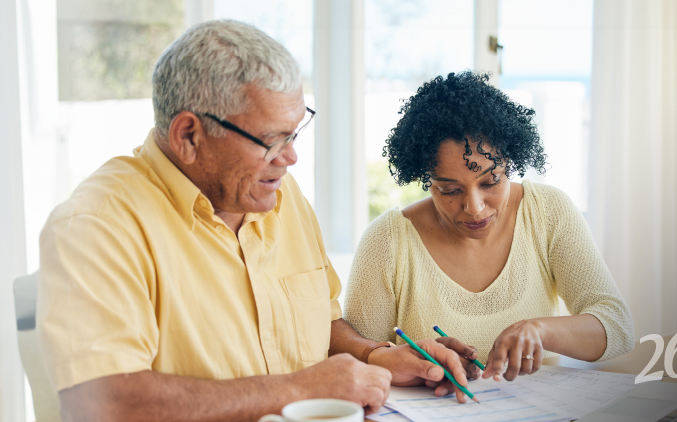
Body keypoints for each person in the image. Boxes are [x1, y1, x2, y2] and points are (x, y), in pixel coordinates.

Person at [37, 21, 472, 422]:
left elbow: (323, 325)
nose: (290, 157)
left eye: (295, 132)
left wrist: (376, 356)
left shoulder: (279, 194)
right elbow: (101, 404)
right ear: (189, 135)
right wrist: (297, 390)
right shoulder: (96, 226)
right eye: (271, 141)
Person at [344, 71, 635, 388]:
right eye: (450, 190)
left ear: (510, 161)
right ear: (425, 179)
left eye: (490, 182)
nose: (475, 207)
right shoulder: (388, 240)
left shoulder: (548, 211)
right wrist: (413, 367)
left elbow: (618, 329)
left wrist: (541, 330)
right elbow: (358, 363)